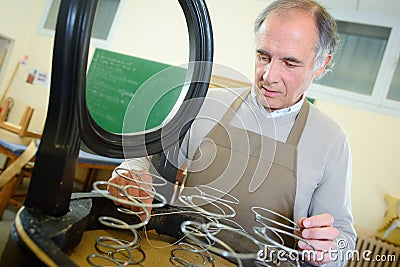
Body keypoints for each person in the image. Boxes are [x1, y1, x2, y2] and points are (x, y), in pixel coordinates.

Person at [107, 0, 356, 266]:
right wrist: (131, 172)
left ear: (320, 64)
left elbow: (344, 241)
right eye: (263, 56)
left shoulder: (331, 140)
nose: (269, 76)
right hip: (181, 257)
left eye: (290, 63)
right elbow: (148, 159)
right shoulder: (204, 104)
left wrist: (328, 250)